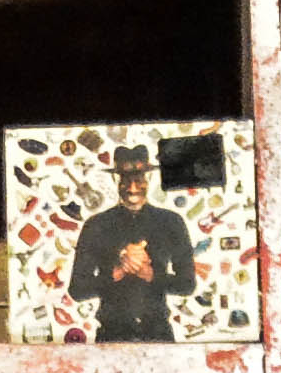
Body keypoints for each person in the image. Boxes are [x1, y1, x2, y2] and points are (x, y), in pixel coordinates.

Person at [68, 145, 195, 343]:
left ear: (149, 179)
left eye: (138, 180)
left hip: (158, 334)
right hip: (111, 335)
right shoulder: (96, 225)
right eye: (125, 180)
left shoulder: (172, 222)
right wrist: (116, 273)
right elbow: (77, 289)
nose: (132, 188)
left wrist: (151, 274)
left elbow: (187, 284)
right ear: (115, 180)